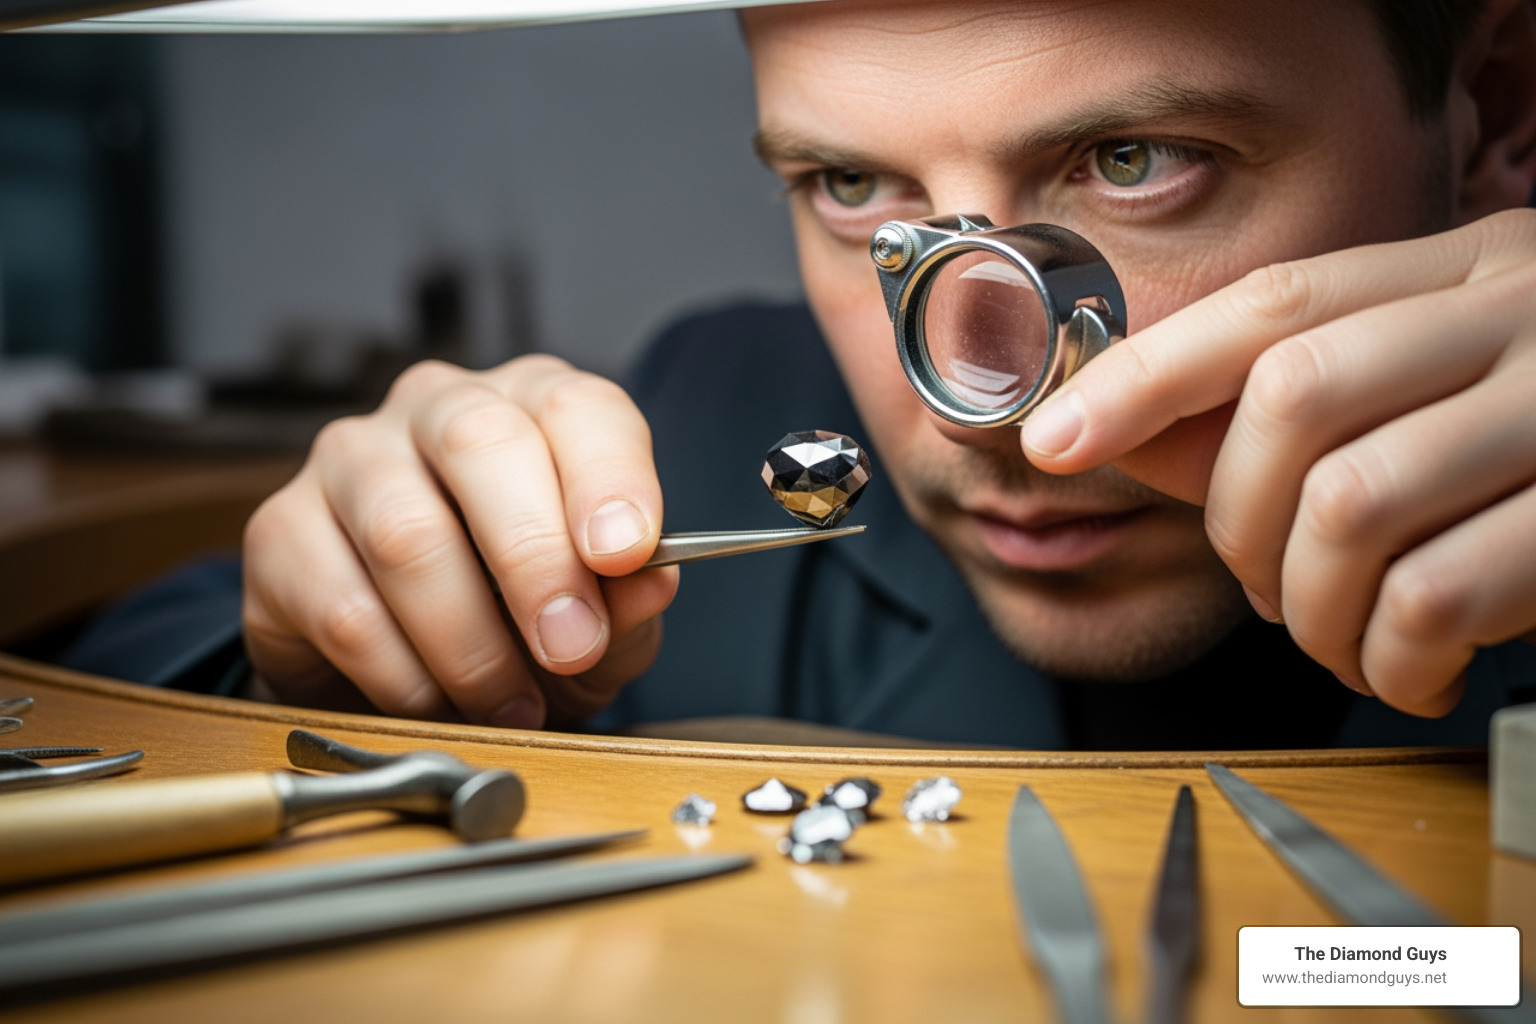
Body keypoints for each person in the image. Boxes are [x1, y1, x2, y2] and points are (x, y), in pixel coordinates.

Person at [69, 0, 1536, 748]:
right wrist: (315, 648)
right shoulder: (723, 406)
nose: (988, 401)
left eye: (1134, 166)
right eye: (849, 185)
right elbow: (99, 693)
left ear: (1496, 106)